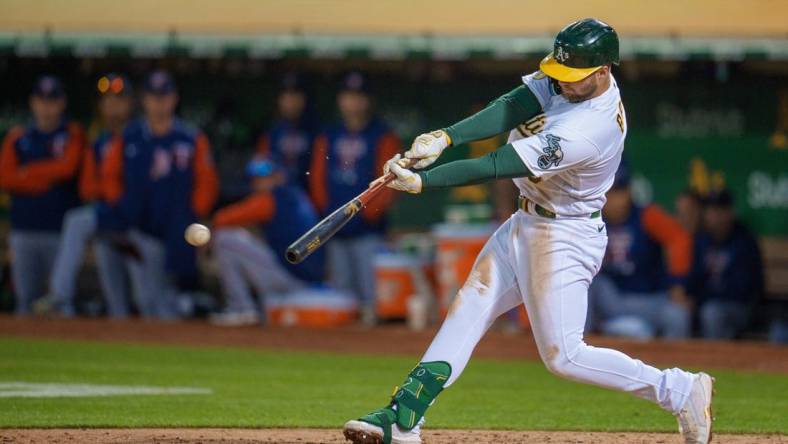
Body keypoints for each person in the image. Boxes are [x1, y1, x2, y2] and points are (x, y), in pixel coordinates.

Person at [342, 19, 713, 444]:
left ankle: (679, 389)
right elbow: (514, 105)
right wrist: (446, 136)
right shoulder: (569, 76)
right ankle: (404, 417)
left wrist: (424, 181)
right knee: (469, 307)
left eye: (572, 78)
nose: (561, 83)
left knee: (564, 357)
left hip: (564, 237)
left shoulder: (591, 129)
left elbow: (497, 164)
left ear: (604, 72)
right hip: (526, 221)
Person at [103, 70, 219, 318]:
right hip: (142, 230)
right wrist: (124, 208)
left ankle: (179, 336)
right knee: (146, 298)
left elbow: (207, 183)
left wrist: (192, 216)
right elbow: (110, 176)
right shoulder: (130, 135)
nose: (159, 103)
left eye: (164, 96)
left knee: (168, 300)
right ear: (145, 99)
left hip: (177, 231)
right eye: (154, 97)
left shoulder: (190, 137)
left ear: (174, 98)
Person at [39, 73, 135, 317]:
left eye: (119, 99)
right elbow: (88, 189)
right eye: (107, 100)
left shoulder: (141, 136)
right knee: (117, 303)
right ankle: (63, 300)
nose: (112, 105)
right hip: (109, 221)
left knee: (150, 299)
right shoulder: (100, 141)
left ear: (130, 103)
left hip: (138, 222)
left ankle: (60, 296)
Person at [309, 71, 401, 321]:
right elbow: (317, 177)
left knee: (371, 302)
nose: (353, 103)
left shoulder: (382, 134)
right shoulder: (329, 134)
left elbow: (389, 181)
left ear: (368, 100)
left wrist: (367, 215)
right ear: (340, 100)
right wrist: (329, 215)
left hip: (368, 231)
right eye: (348, 96)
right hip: (336, 229)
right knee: (342, 300)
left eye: (359, 97)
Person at [0, 75, 86, 315]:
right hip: (23, 230)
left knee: (61, 302)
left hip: (59, 232)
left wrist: (26, 173)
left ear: (62, 103)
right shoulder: (18, 137)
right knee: (25, 300)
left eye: (52, 100)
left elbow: (67, 168)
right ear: (33, 103)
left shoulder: (72, 133)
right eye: (42, 100)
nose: (47, 106)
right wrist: (48, 175)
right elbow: (5, 178)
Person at [209, 158, 326, 326]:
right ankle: (248, 308)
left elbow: (221, 219)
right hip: (303, 275)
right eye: (256, 179)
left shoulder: (272, 198)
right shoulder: (297, 195)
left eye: (266, 177)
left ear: (279, 177)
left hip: (291, 277)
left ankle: (242, 308)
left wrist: (208, 232)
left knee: (224, 238)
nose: (260, 183)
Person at [585, 163, 693, 339]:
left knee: (677, 315)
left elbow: (679, 238)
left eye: (621, 191)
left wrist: (678, 284)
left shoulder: (646, 216)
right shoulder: (590, 220)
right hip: (612, 299)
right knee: (588, 282)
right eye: (611, 192)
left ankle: (675, 364)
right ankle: (581, 346)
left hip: (649, 300)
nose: (617, 199)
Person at [688, 189, 764, 339]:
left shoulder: (744, 241)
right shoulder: (702, 240)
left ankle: (712, 360)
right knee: (685, 311)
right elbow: (694, 277)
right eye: (709, 211)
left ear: (729, 213)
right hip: (708, 304)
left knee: (712, 312)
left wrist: (704, 298)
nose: (711, 216)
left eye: (717, 211)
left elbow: (742, 290)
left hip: (740, 307)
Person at [256, 73, 320, 191]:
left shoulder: (316, 132)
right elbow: (259, 171)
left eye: (295, 97)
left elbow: (319, 176)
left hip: (306, 196)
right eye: (286, 97)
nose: (290, 103)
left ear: (304, 99)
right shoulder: (273, 133)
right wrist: (267, 176)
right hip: (278, 196)